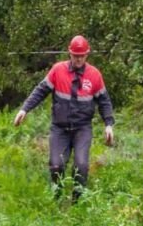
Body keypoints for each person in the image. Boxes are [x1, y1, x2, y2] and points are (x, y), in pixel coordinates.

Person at [14, 35, 114, 201]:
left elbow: (104, 102)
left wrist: (108, 124)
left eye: (82, 55)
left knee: (81, 165)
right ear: (70, 53)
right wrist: (25, 109)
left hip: (82, 129)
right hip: (60, 129)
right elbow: (40, 91)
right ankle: (57, 197)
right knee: (56, 165)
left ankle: (77, 203)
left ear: (87, 54)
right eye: (76, 55)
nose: (79, 59)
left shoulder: (94, 75)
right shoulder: (57, 70)